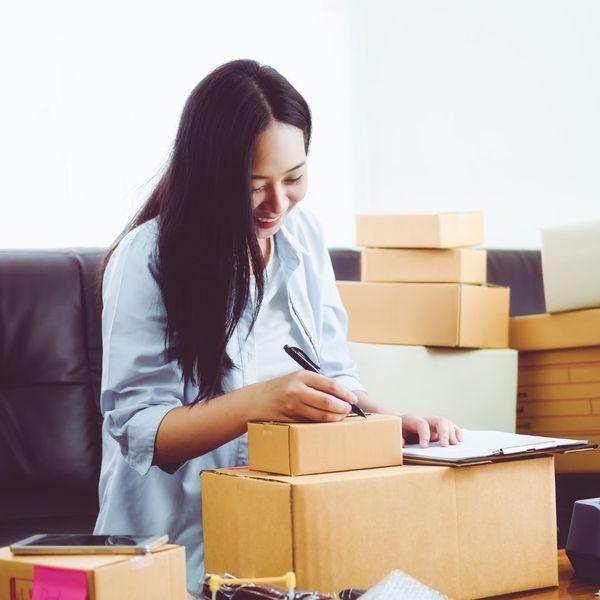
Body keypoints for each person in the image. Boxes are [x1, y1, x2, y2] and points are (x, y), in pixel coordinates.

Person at [94, 59, 462, 597]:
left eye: (294, 179)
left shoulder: (302, 235)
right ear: (210, 177)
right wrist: (258, 403)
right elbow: (141, 431)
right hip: (169, 557)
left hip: (278, 545)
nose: (278, 204)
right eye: (254, 186)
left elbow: (332, 369)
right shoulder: (146, 259)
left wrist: (384, 419)